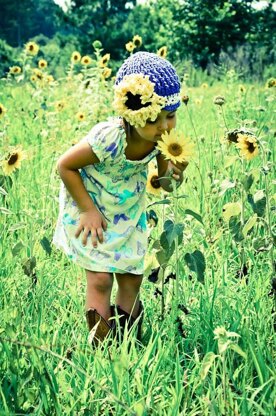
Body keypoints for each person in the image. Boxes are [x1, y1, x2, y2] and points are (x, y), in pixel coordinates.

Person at [53, 51, 188, 346]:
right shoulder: (109, 137)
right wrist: (87, 209)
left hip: (128, 213)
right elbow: (65, 165)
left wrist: (177, 171)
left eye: (171, 116)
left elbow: (166, 184)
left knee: (131, 278)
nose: (165, 126)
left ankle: (127, 342)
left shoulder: (161, 139)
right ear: (132, 112)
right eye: (155, 119)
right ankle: (101, 346)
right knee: (100, 279)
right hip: (93, 211)